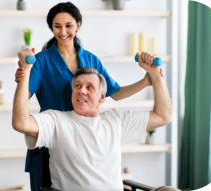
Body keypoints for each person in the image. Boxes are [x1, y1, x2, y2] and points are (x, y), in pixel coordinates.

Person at [15, 2, 158, 190]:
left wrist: (146, 82)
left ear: (78, 25)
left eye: (69, 25)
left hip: (84, 141)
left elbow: (116, 93)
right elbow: (22, 99)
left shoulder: (91, 59)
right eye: (57, 26)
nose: (63, 31)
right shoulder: (42, 61)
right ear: (51, 27)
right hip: (51, 137)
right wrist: (24, 74)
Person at [12, 50, 172, 190]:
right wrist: (25, 73)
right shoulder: (56, 121)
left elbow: (163, 116)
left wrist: (155, 74)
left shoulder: (116, 120)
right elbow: (21, 123)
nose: (81, 91)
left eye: (89, 87)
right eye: (77, 86)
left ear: (102, 96)